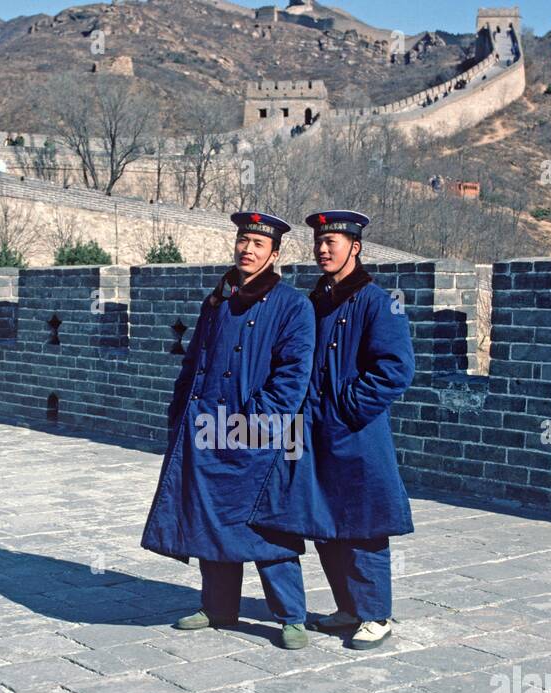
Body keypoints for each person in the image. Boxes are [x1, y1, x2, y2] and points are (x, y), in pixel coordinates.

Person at [141, 211, 316, 649]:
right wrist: (180, 411)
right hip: (206, 428)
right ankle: (218, 607)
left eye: (258, 244)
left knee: (266, 527)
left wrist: (254, 422)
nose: (247, 249)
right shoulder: (217, 299)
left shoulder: (293, 306)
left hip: (259, 434)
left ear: (274, 254)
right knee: (209, 519)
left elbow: (293, 377)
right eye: (243, 240)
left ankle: (291, 616)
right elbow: (193, 362)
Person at [251, 211, 415, 650]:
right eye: (320, 243)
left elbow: (396, 369)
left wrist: (346, 409)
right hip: (312, 432)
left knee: (363, 523)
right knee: (323, 522)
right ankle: (349, 607)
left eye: (334, 242)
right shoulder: (317, 299)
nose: (324, 250)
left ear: (355, 248)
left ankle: (376, 615)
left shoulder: (378, 300)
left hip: (356, 432)